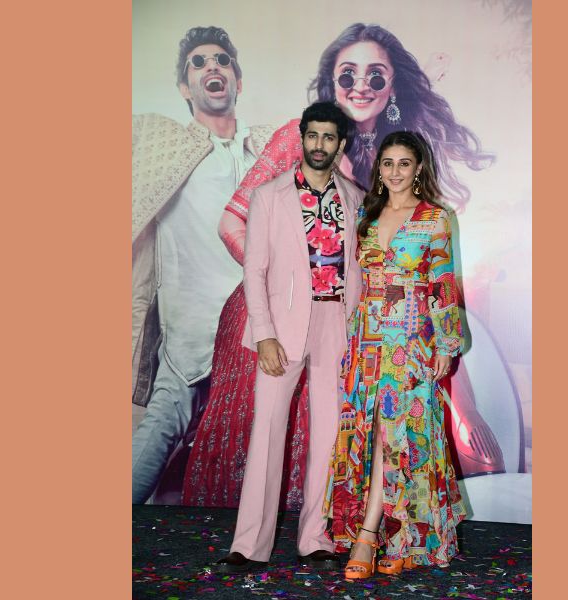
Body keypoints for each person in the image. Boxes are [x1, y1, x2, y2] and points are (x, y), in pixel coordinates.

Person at [182, 22, 500, 510]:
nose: (361, 86)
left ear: (393, 87)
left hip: (347, 322)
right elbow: (231, 223)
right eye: (348, 74)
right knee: (266, 441)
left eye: (376, 76)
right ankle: (244, 539)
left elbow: (414, 268)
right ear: (331, 81)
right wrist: (289, 283)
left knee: (335, 435)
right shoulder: (301, 137)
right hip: (276, 315)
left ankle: (327, 533)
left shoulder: (391, 156)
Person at [215, 102, 364, 573]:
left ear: (340, 144)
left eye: (328, 137)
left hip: (336, 324)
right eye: (312, 135)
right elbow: (254, 270)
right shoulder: (269, 196)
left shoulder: (355, 197)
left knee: (329, 434)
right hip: (281, 328)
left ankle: (315, 537)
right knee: (267, 431)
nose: (319, 145)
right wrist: (263, 335)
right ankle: (249, 544)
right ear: (302, 138)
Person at [131, 25, 275, 504]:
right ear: (184, 88)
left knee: (253, 453)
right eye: (199, 62)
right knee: (158, 434)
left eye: (222, 60)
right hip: (192, 333)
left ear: (238, 80)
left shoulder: (264, 150)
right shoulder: (166, 149)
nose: (212, 66)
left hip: (257, 331)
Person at [326, 131, 466, 579]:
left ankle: (371, 534)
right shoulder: (366, 216)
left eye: (404, 163)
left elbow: (443, 285)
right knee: (370, 436)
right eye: (387, 163)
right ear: (379, 169)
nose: (395, 172)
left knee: (403, 437)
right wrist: (347, 342)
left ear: (418, 167)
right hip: (367, 341)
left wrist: (444, 344)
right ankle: (397, 534)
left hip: (412, 341)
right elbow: (355, 282)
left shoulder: (434, 219)